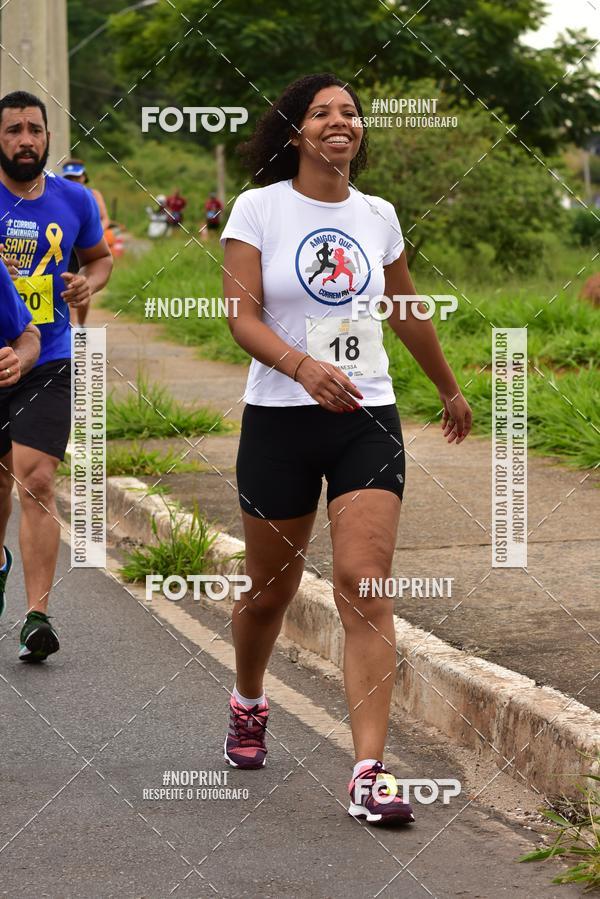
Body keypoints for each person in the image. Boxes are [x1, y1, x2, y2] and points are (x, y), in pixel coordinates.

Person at [220, 73, 472, 826]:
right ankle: (249, 698)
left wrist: (450, 387)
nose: (341, 122)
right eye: (322, 113)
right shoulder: (258, 208)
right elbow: (241, 315)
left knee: (364, 583)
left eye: (351, 113)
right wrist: (300, 365)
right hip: (280, 418)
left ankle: (369, 771)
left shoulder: (378, 214)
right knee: (270, 592)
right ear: (295, 133)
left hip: (367, 414)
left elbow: (404, 307)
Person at [0, 90, 113, 662]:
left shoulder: (75, 200)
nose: (27, 140)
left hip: (48, 358)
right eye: (15, 130)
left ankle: (37, 615)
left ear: (48, 137)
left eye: (36, 130)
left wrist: (87, 283)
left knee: (37, 477)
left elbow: (99, 257)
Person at [61, 158, 110, 326]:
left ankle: (80, 325)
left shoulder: (93, 195)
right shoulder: (59, 195)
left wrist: (91, 236)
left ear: (84, 177)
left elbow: (105, 219)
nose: (73, 181)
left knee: (83, 288)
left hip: (86, 247)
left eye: (76, 177)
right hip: (65, 247)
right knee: (69, 288)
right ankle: (73, 329)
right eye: (69, 178)